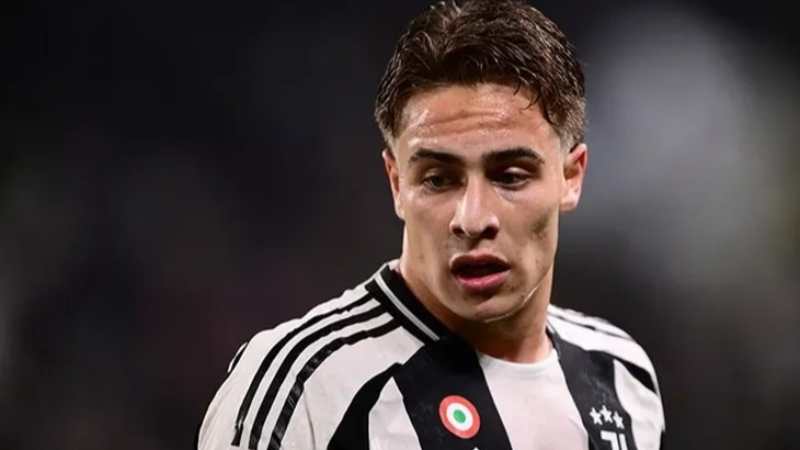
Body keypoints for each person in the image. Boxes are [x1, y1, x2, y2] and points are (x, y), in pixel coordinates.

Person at [197, 0, 666, 449]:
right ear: (397, 184)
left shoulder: (622, 377)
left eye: (510, 176)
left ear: (571, 177)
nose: (473, 219)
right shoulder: (304, 391)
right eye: (439, 179)